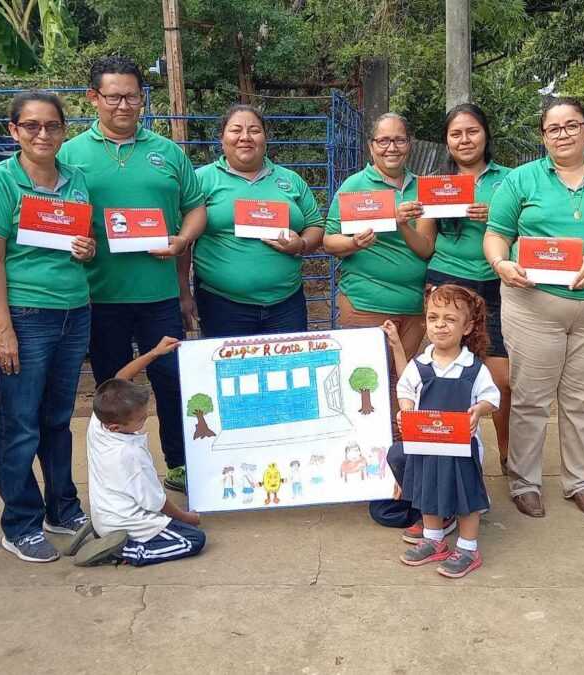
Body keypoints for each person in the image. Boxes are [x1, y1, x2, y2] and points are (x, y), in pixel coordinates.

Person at [483, 97, 584, 517]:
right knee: (531, 398)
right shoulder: (521, 179)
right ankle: (524, 482)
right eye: (554, 128)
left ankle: (580, 481)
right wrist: (502, 263)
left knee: (583, 398)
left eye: (572, 125)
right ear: (543, 136)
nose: (564, 134)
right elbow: (496, 233)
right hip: (534, 305)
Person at [57, 55, 206, 493]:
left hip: (159, 294)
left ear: (143, 99)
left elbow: (195, 207)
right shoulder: (70, 154)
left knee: (172, 381)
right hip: (101, 296)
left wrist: (181, 241)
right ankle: (121, 468)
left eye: (132, 97)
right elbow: (55, 214)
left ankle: (179, 465)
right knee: (114, 386)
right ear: (93, 98)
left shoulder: (167, 153)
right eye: (114, 97)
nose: (124, 105)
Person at [0, 91, 96, 562]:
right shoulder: (1, 180)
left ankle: (62, 508)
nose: (42, 134)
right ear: (14, 131)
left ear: (63, 130)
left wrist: (88, 251)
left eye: (51, 126)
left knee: (57, 419)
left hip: (75, 310)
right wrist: (2, 328)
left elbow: (82, 242)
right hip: (26, 315)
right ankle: (20, 522)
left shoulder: (78, 180)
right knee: (19, 423)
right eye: (31, 126)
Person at [324, 112, 436, 444]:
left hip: (412, 308)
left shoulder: (421, 188)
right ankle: (365, 454)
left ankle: (398, 453)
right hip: (366, 303)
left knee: (402, 381)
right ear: (372, 147)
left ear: (409, 144)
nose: (392, 147)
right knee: (366, 382)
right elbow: (330, 241)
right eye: (384, 140)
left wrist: (399, 222)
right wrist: (353, 242)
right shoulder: (355, 186)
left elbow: (426, 249)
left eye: (399, 139)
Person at [383, 285, 498, 578]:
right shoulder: (420, 364)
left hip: (462, 448)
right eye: (433, 318)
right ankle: (434, 541)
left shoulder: (474, 367)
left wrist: (479, 409)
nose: (440, 325)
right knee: (427, 491)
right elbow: (404, 388)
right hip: (426, 444)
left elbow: (492, 398)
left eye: (449, 319)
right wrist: (405, 410)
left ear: (467, 326)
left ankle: (468, 548)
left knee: (466, 497)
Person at [426, 103, 513, 476]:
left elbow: (529, 228)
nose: (465, 140)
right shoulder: (435, 183)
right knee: (445, 374)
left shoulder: (512, 179)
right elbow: (425, 246)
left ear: (486, 135)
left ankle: (509, 456)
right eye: (456, 133)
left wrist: (494, 213)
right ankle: (447, 453)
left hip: (497, 283)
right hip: (447, 280)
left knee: (502, 379)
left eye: (472, 131)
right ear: (447, 142)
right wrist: (403, 222)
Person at [193, 104, 324, 336]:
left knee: (286, 369)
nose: (245, 137)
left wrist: (301, 244)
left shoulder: (290, 180)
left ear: (265, 138)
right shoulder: (201, 180)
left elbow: (315, 225)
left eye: (254, 130)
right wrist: (184, 291)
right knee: (232, 370)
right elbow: (184, 236)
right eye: (236, 130)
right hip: (223, 306)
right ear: (222, 138)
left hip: (286, 305)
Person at [75, 336, 206, 567]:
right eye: (141, 419)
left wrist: (154, 352)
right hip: (130, 522)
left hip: (105, 515)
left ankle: (104, 533)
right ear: (116, 426)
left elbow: (119, 379)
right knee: (193, 540)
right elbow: (157, 503)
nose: (146, 419)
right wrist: (189, 518)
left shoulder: (99, 421)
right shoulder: (129, 455)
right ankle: (126, 551)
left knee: (180, 529)